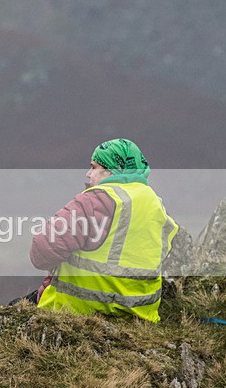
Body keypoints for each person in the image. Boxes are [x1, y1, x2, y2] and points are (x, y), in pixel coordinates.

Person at [30, 138, 179, 323]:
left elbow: (41, 252)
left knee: (15, 311)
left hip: (82, 307)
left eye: (93, 167)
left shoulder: (97, 200)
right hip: (140, 313)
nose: (88, 174)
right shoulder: (155, 203)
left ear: (110, 171)